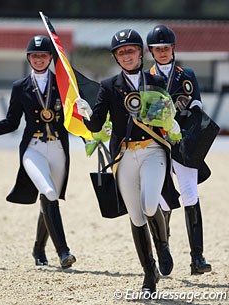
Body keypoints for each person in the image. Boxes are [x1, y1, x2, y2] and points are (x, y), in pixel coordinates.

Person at [76, 29, 181, 294]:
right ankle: (149, 274)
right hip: (124, 156)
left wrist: (171, 120)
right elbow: (98, 123)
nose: (126, 55)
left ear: (140, 53)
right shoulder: (109, 86)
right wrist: (85, 113)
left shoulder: (155, 80)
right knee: (135, 216)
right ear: (116, 56)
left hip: (152, 151)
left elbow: (166, 113)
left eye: (130, 50)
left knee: (149, 204)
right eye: (121, 52)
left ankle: (163, 244)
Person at [0, 35, 76, 269]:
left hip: (58, 148)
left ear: (50, 57)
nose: (39, 59)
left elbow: (74, 115)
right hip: (33, 148)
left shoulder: (63, 82)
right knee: (48, 192)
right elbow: (11, 123)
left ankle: (38, 249)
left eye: (43, 55)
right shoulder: (21, 87)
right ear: (29, 58)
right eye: (34, 55)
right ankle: (64, 252)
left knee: (50, 199)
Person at [146, 24, 212, 275]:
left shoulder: (187, 74)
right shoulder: (146, 76)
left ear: (173, 48)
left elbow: (196, 103)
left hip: (182, 141)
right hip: (158, 143)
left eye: (166, 48)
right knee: (163, 200)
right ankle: (164, 248)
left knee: (190, 194)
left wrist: (187, 111)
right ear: (151, 51)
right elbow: (146, 113)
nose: (163, 52)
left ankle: (197, 257)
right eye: (158, 49)